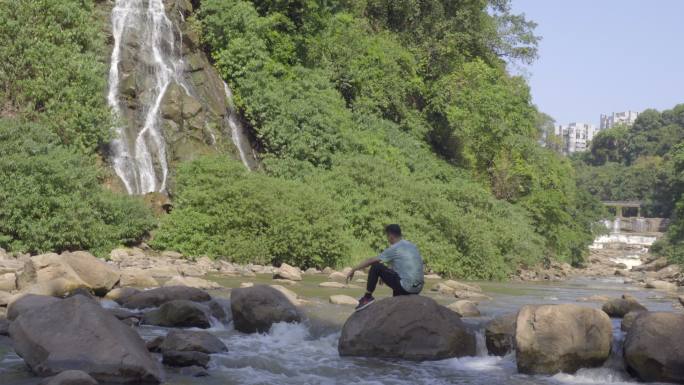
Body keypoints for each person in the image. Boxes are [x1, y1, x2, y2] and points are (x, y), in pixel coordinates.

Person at [346, 224, 424, 311]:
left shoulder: (395, 248)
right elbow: (401, 264)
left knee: (376, 266)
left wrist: (354, 269)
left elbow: (371, 260)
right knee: (398, 292)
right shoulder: (411, 246)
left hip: (406, 288)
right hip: (418, 289)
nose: (387, 239)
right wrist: (387, 274)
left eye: (387, 236)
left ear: (390, 236)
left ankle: (367, 297)